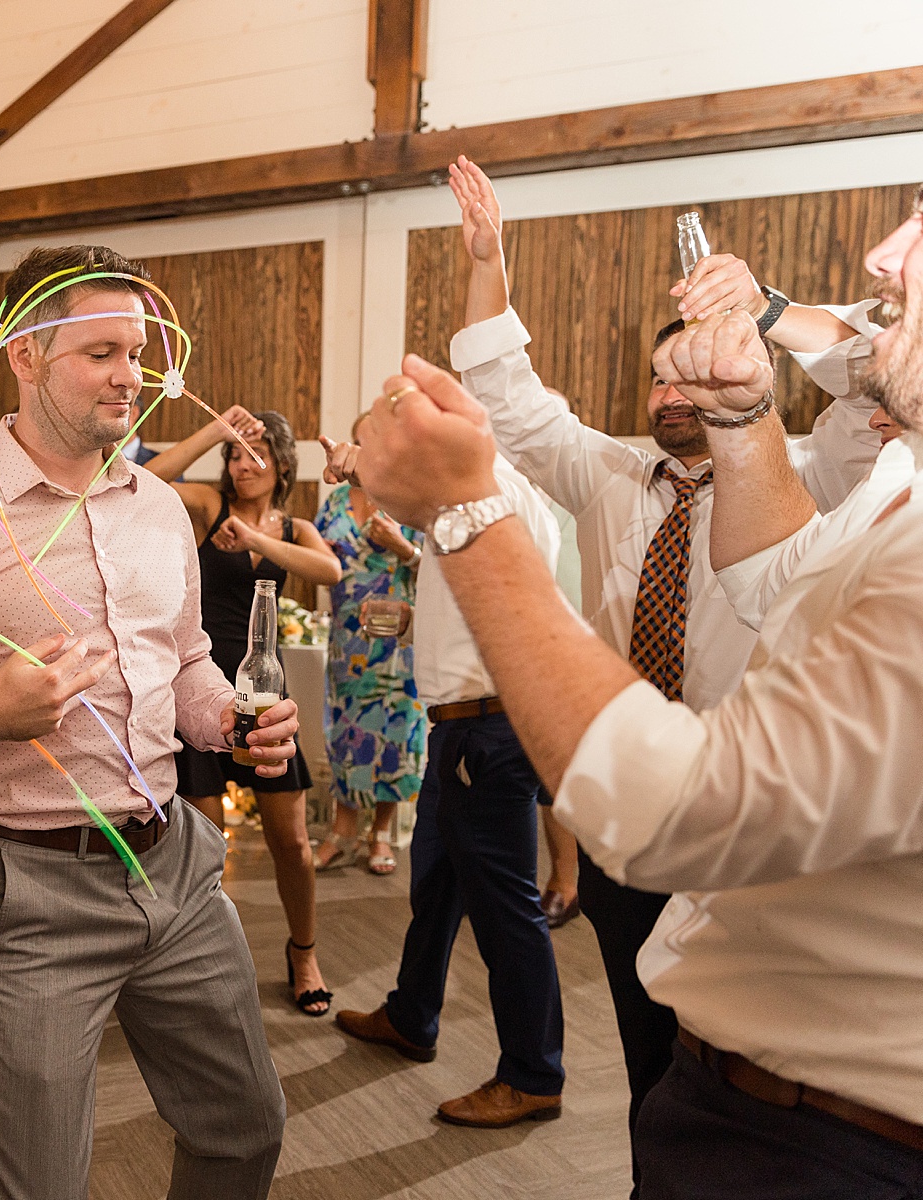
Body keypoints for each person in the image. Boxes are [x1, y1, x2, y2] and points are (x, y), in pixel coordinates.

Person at [351, 190, 923, 1190]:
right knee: (642, 1030)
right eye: (658, 378)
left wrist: (464, 518)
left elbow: (683, 807)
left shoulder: (861, 473)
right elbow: (776, 582)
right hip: (735, 1006)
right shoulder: (645, 479)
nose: (885, 258)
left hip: (833, 1127)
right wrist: (745, 415)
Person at [0, 244, 294, 1200]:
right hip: (33, 891)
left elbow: (189, 661)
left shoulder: (162, 507)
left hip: (177, 866)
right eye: (101, 353)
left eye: (139, 350)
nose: (133, 375)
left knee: (244, 1130)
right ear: (24, 356)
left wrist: (230, 722)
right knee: (40, 1183)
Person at [329, 434, 571, 1128]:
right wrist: (417, 622)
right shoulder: (485, 504)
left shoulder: (487, 496)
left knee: (504, 908)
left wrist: (364, 461)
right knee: (436, 882)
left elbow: (409, 497)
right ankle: (413, 1013)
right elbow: (481, 600)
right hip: (462, 726)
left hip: (486, 731)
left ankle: (533, 1073)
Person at [143, 406, 342, 1015]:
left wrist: (257, 539)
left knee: (293, 843)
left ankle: (303, 951)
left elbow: (330, 569)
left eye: (256, 453)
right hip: (201, 691)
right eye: (235, 453)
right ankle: (205, 968)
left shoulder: (294, 526)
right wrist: (215, 431)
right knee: (206, 848)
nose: (242, 463)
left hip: (262, 691)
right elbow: (151, 479)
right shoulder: (206, 505)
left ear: (282, 465)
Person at [313, 412, 426, 879]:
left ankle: (380, 832)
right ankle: (342, 831)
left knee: (395, 734)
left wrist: (402, 547)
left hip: (398, 641)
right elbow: (316, 556)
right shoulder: (337, 502)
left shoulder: (412, 500)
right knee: (346, 731)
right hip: (348, 643)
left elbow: (443, 571)